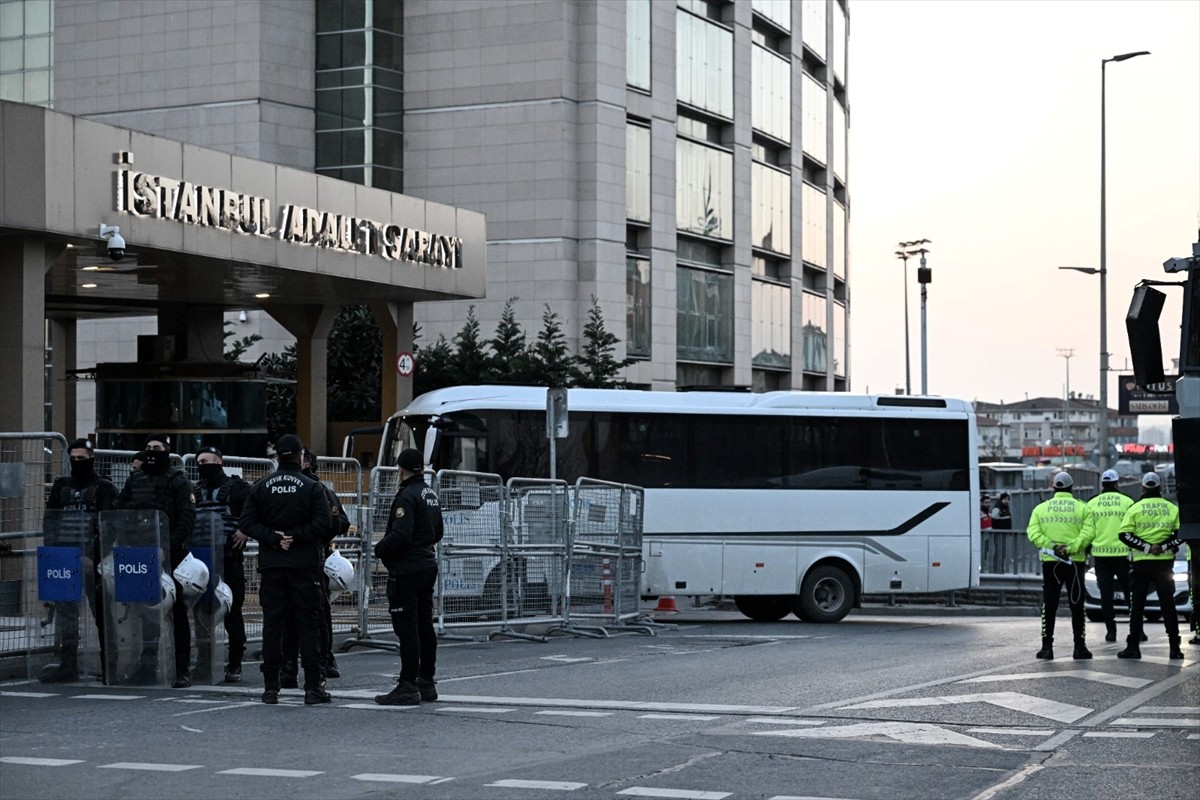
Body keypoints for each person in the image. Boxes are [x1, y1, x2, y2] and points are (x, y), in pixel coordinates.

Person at [239, 434, 332, 705]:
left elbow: (246, 522)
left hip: (272, 565)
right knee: (308, 625)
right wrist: (295, 535)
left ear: (277, 456)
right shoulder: (312, 487)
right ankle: (313, 686)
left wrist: (273, 537)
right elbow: (324, 524)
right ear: (301, 457)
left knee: (273, 625)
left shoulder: (261, 486)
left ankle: (271, 686)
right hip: (304, 565)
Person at [117, 433, 196, 687]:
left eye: (157, 448)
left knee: (176, 611)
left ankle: (181, 667)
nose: (151, 451)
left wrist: (166, 548)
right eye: (148, 447)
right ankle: (147, 666)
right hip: (140, 554)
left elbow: (186, 519)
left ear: (167, 451)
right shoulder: (135, 479)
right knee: (144, 612)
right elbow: (121, 511)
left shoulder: (178, 481)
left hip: (170, 555)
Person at [40, 438, 119, 682]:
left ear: (91, 459)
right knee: (66, 617)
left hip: (90, 562)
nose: (76, 462)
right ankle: (68, 665)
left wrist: (93, 557)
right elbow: (50, 522)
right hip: (64, 560)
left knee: (102, 615)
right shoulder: (61, 486)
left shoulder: (105, 488)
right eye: (73, 459)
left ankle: (111, 668)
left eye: (81, 459)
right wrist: (54, 554)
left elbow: (110, 527)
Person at [374, 448, 443, 706]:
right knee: (425, 624)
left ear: (400, 470)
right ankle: (426, 680)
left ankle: (407, 684)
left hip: (408, 568)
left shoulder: (406, 496)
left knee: (407, 627)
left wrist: (379, 549)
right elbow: (438, 532)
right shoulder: (430, 493)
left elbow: (400, 535)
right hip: (427, 564)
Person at [279, 449, 350, 687]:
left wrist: (318, 539)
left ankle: (325, 660)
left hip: (314, 558)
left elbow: (340, 521)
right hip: (291, 558)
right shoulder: (287, 487)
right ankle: (290, 666)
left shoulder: (319, 490)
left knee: (318, 614)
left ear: (306, 462)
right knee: (291, 615)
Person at [193, 446, 251, 683]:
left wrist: (245, 530)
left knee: (232, 611)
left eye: (206, 460)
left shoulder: (237, 488)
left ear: (219, 461)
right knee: (201, 613)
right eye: (199, 461)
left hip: (229, 558)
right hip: (201, 560)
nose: (202, 465)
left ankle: (235, 662)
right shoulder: (195, 490)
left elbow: (256, 510)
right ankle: (204, 663)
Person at [1026, 472, 1096, 660]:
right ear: (1072, 488)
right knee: (1077, 605)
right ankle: (1079, 648)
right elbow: (1089, 533)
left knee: (1049, 605)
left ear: (1053, 487)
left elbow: (1033, 533)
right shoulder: (1082, 508)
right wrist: (1071, 548)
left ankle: (1047, 648)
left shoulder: (1041, 509)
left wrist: (1053, 547)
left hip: (1051, 563)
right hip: (1075, 563)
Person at [1117, 472, 1184, 660]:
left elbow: (1124, 535)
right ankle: (1174, 648)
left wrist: (1146, 547)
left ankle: (1133, 647)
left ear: (1143, 488)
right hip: (1164, 564)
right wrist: (1162, 547)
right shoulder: (1172, 508)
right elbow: (1181, 534)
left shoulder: (1135, 508)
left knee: (1137, 605)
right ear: (1160, 488)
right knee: (1168, 606)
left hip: (1141, 564)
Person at [1085, 469, 1135, 643]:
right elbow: (1133, 529)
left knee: (1106, 596)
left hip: (1101, 556)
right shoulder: (1127, 502)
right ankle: (1136, 630)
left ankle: (1110, 631)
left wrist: (1086, 551)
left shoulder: (1092, 503)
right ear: (1116, 483)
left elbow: (1088, 530)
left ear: (1102, 485)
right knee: (1131, 593)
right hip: (1123, 555)